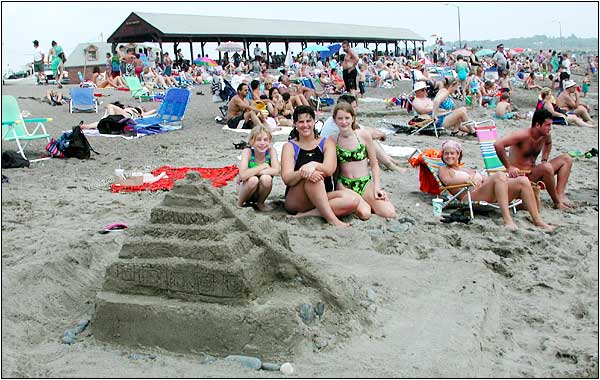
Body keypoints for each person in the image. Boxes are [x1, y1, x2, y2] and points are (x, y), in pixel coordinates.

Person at [438, 140, 553, 231]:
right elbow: (447, 182)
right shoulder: (443, 169)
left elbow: (486, 179)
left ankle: (537, 220)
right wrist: (468, 180)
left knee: (522, 180)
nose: (449, 156)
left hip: (484, 192)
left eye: (452, 153)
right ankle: (507, 220)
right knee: (499, 176)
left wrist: (506, 178)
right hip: (468, 196)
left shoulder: (465, 169)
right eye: (446, 154)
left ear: (458, 154)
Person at [281, 106, 359, 227]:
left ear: (314, 122)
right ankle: (332, 219)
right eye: (301, 122)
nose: (305, 125)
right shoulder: (290, 146)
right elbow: (287, 178)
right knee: (313, 178)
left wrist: (313, 165)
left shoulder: (326, 142)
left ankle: (310, 214)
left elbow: (329, 169)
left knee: (353, 200)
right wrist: (304, 173)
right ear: (295, 124)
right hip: (297, 199)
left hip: (321, 196)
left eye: (308, 121)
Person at [494, 108, 574, 210]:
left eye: (551, 125)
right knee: (546, 167)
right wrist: (509, 167)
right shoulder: (522, 135)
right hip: (521, 175)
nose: (550, 128)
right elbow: (498, 144)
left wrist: (544, 159)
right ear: (537, 125)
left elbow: (548, 144)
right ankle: (557, 202)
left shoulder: (545, 135)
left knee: (566, 159)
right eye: (547, 125)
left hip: (534, 171)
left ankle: (560, 195)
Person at [329, 103, 396, 220]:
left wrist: (377, 188)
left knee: (389, 212)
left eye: (347, 118)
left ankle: (365, 202)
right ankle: (362, 204)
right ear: (334, 120)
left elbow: (374, 165)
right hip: (345, 185)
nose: (344, 122)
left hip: (365, 183)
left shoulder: (363, 135)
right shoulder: (333, 140)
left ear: (353, 118)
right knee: (365, 214)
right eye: (340, 118)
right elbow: (332, 168)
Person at [320, 94, 401, 171]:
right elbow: (366, 133)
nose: (356, 109)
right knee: (368, 139)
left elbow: (363, 128)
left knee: (367, 137)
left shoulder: (337, 118)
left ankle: (388, 160)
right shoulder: (341, 122)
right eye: (354, 107)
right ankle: (389, 164)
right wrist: (382, 134)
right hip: (331, 156)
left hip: (335, 151)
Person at [237, 126, 280, 211]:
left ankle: (260, 203)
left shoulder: (271, 151)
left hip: (260, 191)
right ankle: (239, 203)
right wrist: (263, 166)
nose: (262, 143)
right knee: (253, 180)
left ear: (269, 141)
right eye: (258, 139)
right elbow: (242, 175)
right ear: (251, 141)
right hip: (246, 189)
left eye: (265, 140)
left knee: (266, 178)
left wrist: (253, 172)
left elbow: (276, 171)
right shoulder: (248, 152)